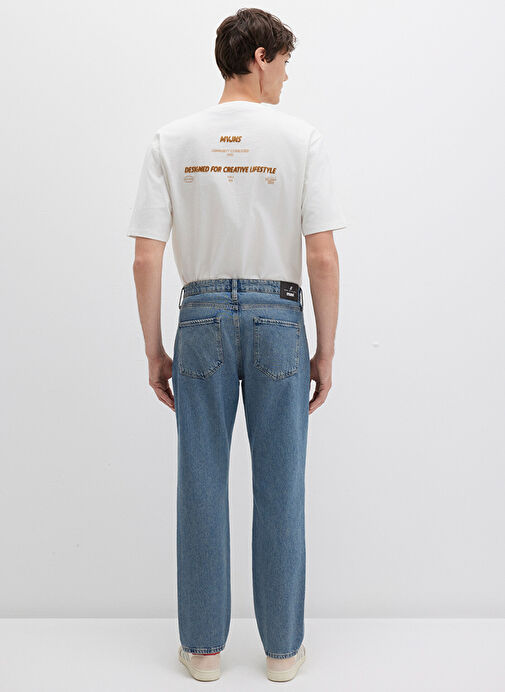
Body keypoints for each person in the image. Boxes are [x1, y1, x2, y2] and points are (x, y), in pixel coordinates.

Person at [126, 7, 347, 683]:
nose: (286, 76)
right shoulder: (300, 138)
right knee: (281, 485)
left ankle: (203, 651)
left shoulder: (171, 139)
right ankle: (281, 652)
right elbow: (322, 257)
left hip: (199, 321)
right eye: (283, 62)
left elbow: (145, 257)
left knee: (200, 482)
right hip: (279, 319)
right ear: (259, 57)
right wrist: (325, 350)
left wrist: (154, 349)